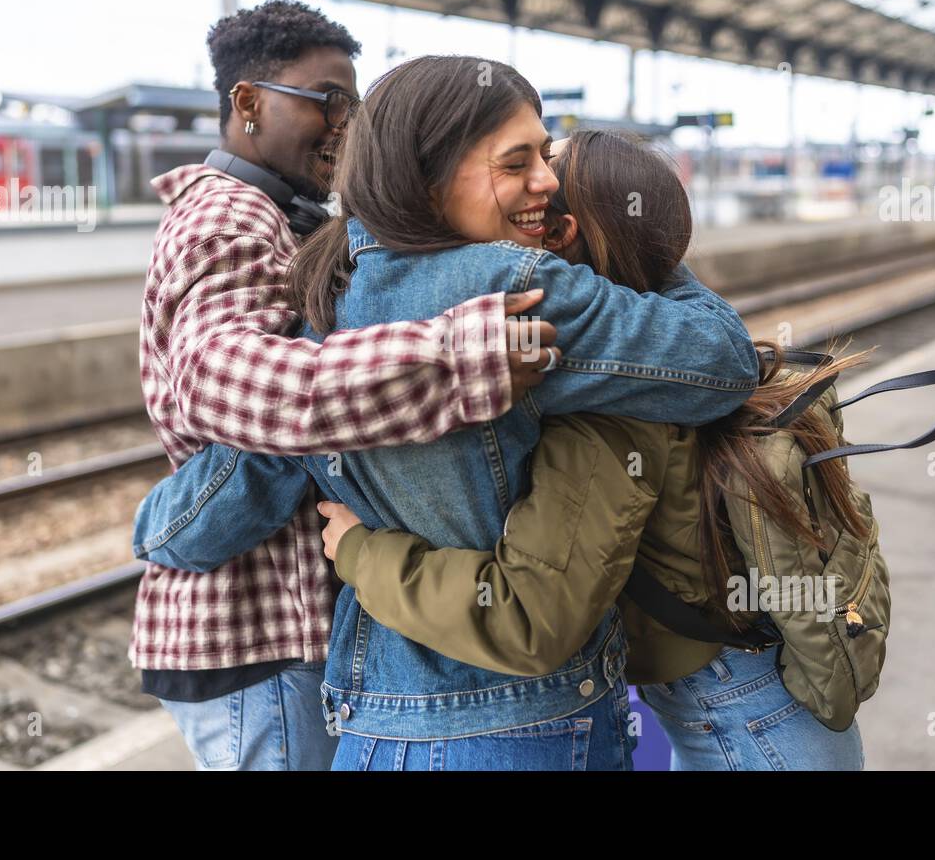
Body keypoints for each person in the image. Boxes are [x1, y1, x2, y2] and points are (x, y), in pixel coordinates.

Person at [137, 56, 761, 769]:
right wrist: (636, 250)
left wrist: (158, 530)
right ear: (429, 179)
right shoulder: (514, 289)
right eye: (516, 161)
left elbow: (247, 475)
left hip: (376, 725)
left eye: (544, 156)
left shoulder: (321, 294)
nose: (549, 181)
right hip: (522, 727)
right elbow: (722, 362)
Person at [314, 129, 869, 770]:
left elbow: (528, 616)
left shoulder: (608, 407)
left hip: (749, 725)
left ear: (559, 234)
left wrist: (360, 552)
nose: (535, 183)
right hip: (756, 692)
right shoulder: (655, 340)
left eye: (546, 170)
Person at [133, 1, 558, 771]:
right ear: (248, 103)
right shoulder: (226, 219)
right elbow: (226, 382)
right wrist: (454, 363)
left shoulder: (281, 215)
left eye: (353, 104)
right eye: (326, 99)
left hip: (284, 633)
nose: (345, 123)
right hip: (255, 636)